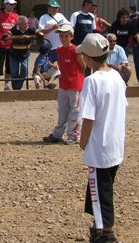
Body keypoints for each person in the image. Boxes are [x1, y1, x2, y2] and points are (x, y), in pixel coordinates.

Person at [76, 33, 127, 243]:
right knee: (104, 187)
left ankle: (105, 232)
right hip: (115, 145)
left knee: (100, 192)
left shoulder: (92, 81)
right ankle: (100, 227)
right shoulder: (117, 77)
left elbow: (88, 117)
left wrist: (82, 141)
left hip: (99, 147)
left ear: (87, 58)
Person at [43, 24, 86, 144]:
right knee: (62, 111)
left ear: (71, 36)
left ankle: (73, 136)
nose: (63, 38)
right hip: (64, 85)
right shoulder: (59, 50)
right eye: (61, 36)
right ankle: (58, 135)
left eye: (66, 36)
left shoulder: (76, 50)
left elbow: (83, 66)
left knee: (75, 111)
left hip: (75, 85)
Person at [0, 0, 19, 91]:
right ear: (5, 4)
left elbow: (20, 27)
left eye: (13, 4)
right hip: (0, 44)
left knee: (9, 65)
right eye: (11, 4)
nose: (13, 6)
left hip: (11, 45)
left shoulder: (16, 16)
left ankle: (7, 84)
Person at [7, 15, 40, 90]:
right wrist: (19, 37)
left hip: (25, 54)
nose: (27, 25)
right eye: (25, 24)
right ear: (19, 24)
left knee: (24, 70)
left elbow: (39, 34)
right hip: (13, 54)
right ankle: (16, 89)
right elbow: (6, 36)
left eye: (27, 23)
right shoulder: (14, 29)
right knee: (14, 72)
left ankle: (18, 87)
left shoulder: (30, 29)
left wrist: (29, 37)